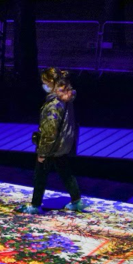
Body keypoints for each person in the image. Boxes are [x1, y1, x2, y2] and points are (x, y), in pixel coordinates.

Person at [23, 68, 84, 214]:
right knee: (65, 171)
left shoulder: (54, 104)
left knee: (40, 174)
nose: (43, 85)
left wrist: (42, 152)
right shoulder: (67, 98)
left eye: (45, 83)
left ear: (51, 83)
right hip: (64, 143)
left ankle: (35, 205)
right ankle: (76, 200)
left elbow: (50, 131)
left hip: (54, 145)